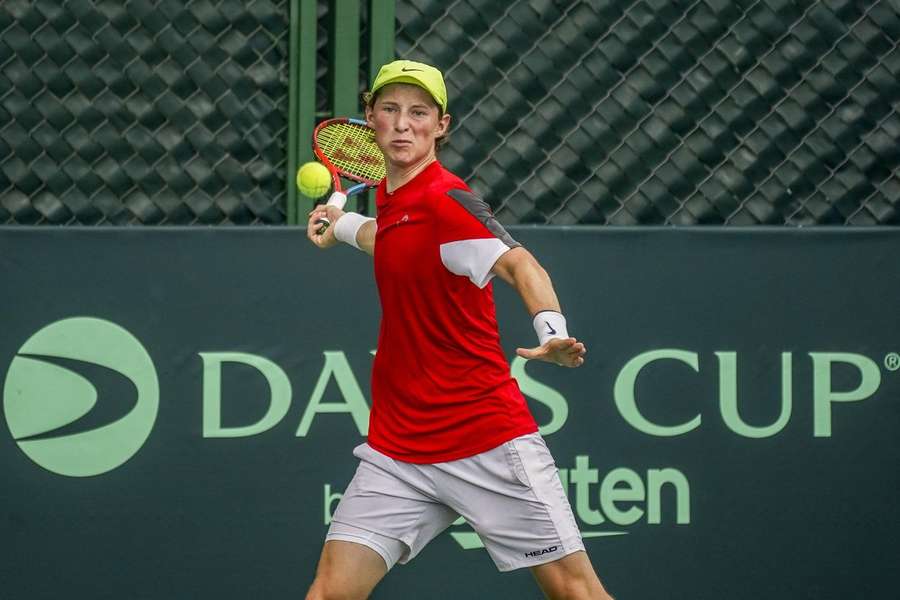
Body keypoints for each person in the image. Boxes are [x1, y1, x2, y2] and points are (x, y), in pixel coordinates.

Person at [305, 59, 614, 600]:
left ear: (440, 126)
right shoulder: (397, 204)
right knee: (330, 592)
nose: (403, 125)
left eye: (418, 113)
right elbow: (399, 239)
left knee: (576, 594)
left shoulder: (447, 202)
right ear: (371, 119)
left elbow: (521, 264)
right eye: (391, 110)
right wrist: (345, 226)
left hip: (484, 439)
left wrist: (551, 328)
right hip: (399, 449)